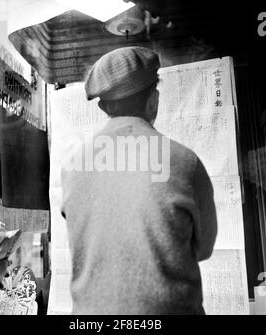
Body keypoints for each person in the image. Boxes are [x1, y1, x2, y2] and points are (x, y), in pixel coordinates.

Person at [61, 46, 217, 315]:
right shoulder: (184, 161)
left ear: (102, 106)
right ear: (153, 99)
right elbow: (203, 249)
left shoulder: (71, 166)